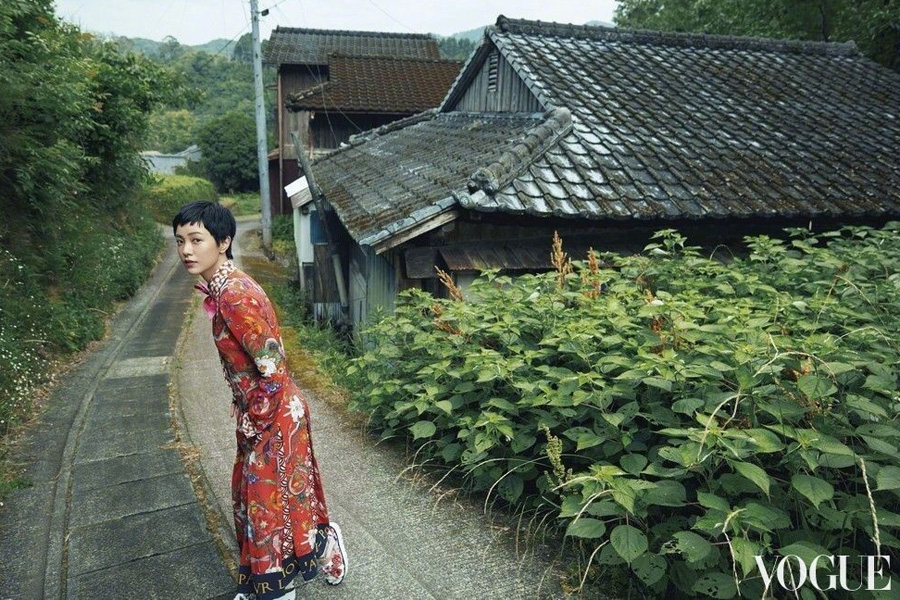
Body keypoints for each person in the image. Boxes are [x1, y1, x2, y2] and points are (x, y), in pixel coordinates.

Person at [172, 201, 347, 600]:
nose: (186, 250)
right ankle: (275, 575)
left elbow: (273, 364)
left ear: (224, 242)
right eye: (181, 241)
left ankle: (281, 582)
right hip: (263, 413)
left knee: (271, 507)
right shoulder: (225, 285)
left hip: (275, 416)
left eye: (197, 240)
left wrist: (258, 418)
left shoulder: (234, 293)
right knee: (266, 501)